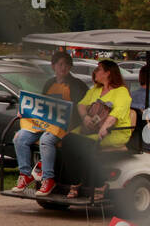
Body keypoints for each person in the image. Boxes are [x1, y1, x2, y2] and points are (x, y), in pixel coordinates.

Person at [9, 50, 90, 197]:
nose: (63, 68)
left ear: (70, 67)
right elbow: (41, 106)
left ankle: (48, 178)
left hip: (66, 126)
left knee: (46, 140)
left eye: (66, 64)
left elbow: (80, 109)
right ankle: (26, 174)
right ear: (53, 66)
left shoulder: (77, 85)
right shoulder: (49, 83)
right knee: (19, 137)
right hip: (46, 124)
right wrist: (26, 112)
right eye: (60, 64)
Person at [68, 60, 133, 201]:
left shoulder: (121, 92)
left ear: (108, 73)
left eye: (98, 69)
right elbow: (81, 105)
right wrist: (85, 117)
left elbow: (115, 114)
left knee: (86, 143)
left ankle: (99, 183)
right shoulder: (95, 90)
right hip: (91, 129)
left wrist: (104, 128)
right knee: (68, 140)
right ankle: (74, 178)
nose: (95, 72)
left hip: (115, 132)